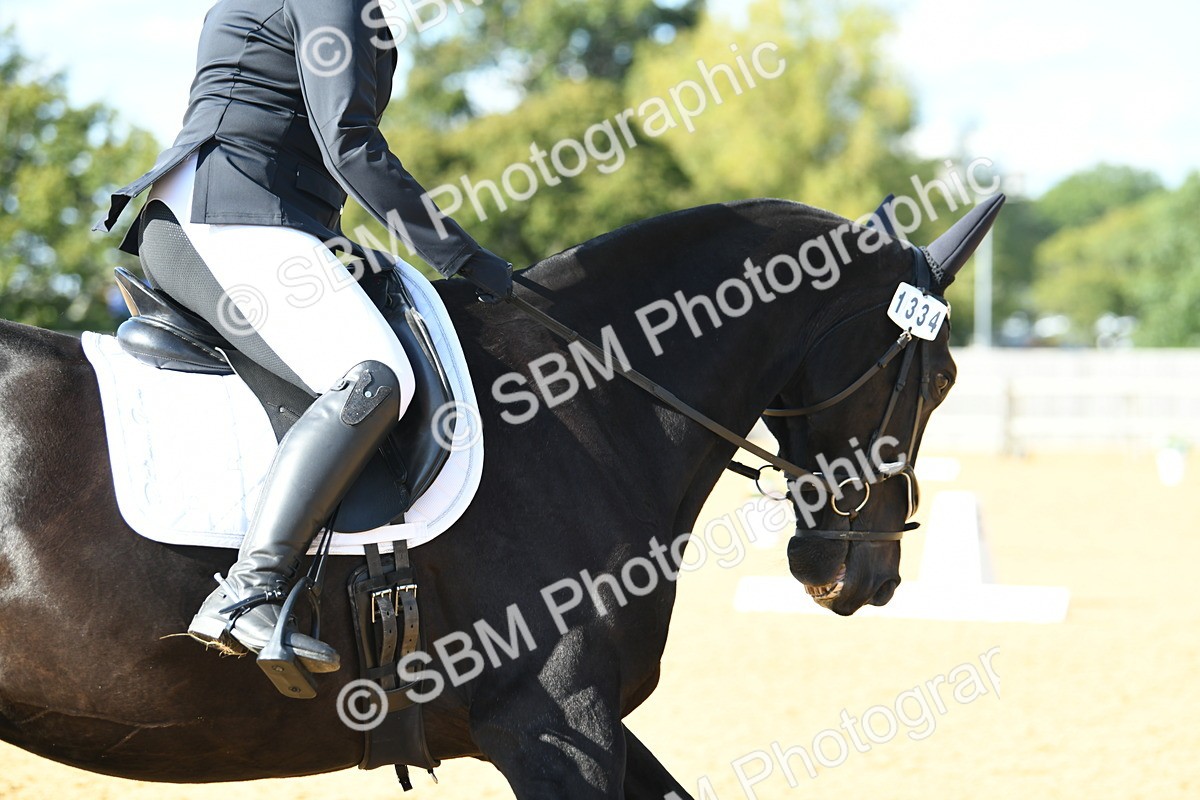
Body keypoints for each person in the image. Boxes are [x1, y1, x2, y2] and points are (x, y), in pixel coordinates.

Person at [93, 0, 513, 675]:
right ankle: (247, 592)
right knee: (376, 373)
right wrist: (460, 254)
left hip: (254, 216)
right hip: (230, 218)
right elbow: (348, 139)